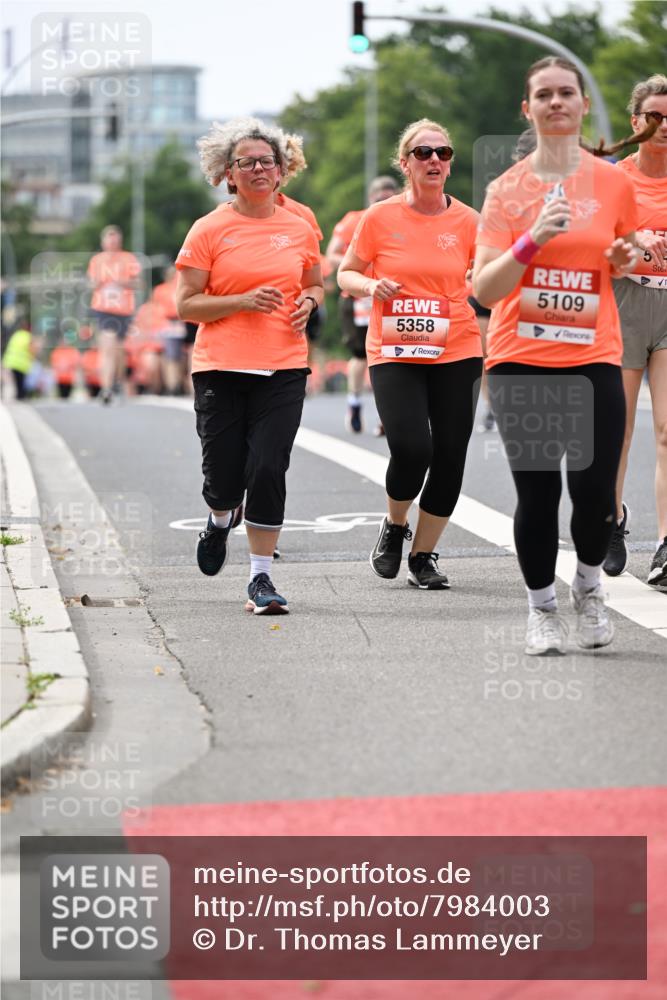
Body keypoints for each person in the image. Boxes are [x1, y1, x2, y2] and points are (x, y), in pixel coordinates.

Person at [473, 56, 651, 656]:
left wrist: (625, 260)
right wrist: (532, 240)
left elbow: (620, 254)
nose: (556, 102)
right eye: (543, 95)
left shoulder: (612, 182)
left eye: (566, 93)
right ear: (528, 109)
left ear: (581, 105)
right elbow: (485, 288)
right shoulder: (507, 189)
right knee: (539, 493)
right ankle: (541, 609)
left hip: (594, 353)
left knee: (597, 494)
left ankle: (590, 585)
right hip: (522, 357)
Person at [176, 117, 323, 615]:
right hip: (220, 368)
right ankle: (219, 520)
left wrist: (310, 301)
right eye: (247, 163)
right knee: (223, 478)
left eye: (268, 161)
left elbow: (315, 282)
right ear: (228, 174)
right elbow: (187, 305)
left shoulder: (299, 227)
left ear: (281, 172)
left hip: (283, 365)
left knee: (268, 467)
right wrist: (240, 301)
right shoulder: (209, 230)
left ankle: (261, 580)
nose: (259, 169)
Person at [338, 119, 483, 589]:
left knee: (450, 455)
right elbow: (346, 274)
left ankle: (423, 556)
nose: (435, 160)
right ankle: (395, 525)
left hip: (456, 347)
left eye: (443, 152)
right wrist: (370, 285)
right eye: (423, 153)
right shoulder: (379, 218)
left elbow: (488, 278)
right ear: (405, 163)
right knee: (411, 447)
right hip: (395, 348)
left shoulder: (468, 220)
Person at [602, 74, 667, 590]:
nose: (663, 127)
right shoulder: (614, 181)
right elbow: (592, 249)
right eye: (654, 117)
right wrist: (632, 240)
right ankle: (612, 521)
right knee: (618, 432)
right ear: (635, 123)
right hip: (624, 306)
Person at [327, 175, 400, 434]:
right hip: (358, 297)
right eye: (380, 200)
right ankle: (355, 403)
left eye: (390, 199)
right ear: (370, 200)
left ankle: (389, 415)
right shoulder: (354, 220)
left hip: (392, 295)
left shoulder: (404, 221)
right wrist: (358, 269)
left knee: (393, 356)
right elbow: (332, 254)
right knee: (360, 355)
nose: (384, 204)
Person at [87, 225, 142, 404]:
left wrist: (121, 282)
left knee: (118, 351)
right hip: (103, 309)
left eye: (115, 237)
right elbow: (91, 284)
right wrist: (100, 281)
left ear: (120, 240)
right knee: (108, 347)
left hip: (124, 310)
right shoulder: (97, 260)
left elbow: (138, 283)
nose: (112, 241)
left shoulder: (128, 258)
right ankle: (106, 389)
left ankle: (117, 382)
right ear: (103, 242)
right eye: (109, 238)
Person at [152, 265, 186, 395]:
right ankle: (173, 385)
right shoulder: (160, 290)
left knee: (182, 356)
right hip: (169, 324)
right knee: (171, 356)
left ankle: (181, 383)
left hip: (182, 322)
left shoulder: (180, 287)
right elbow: (157, 309)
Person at [2, 323, 36, 399]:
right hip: (21, 364)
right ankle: (20, 397)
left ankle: (12, 398)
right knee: (20, 383)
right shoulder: (28, 337)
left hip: (10, 362)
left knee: (13, 382)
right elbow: (32, 350)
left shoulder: (16, 335)